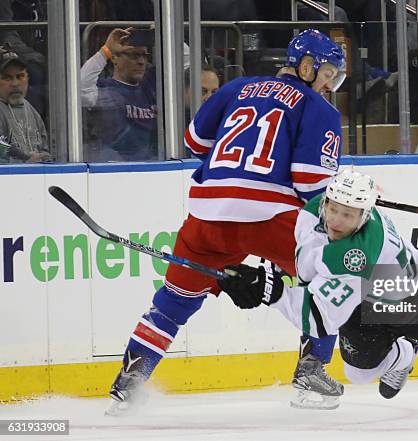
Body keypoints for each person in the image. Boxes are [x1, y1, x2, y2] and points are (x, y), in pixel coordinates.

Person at [105, 29, 346, 416]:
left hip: (206, 213)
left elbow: (195, 143)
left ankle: (129, 382)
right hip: (268, 216)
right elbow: (309, 181)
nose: (330, 83)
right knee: (330, 276)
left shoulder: (236, 87)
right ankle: (312, 370)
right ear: (306, 66)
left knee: (173, 302)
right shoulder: (318, 108)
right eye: (328, 72)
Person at [218, 169, 418, 407]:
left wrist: (268, 291)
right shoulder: (314, 211)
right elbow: (311, 272)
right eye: (334, 208)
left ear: (364, 216)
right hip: (373, 304)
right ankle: (405, 351)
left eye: (348, 214)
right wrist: (265, 284)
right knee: (358, 373)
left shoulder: (357, 257)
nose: (336, 221)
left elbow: (317, 320)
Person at [80, 27, 158, 162]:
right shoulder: (104, 87)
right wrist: (105, 51)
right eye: (134, 55)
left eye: (144, 56)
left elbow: (185, 62)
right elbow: (80, 89)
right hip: (113, 165)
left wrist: (162, 34)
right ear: (114, 58)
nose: (141, 62)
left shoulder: (149, 85)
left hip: (151, 163)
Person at [0, 47, 49, 163]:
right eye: (7, 78)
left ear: (28, 78)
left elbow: (45, 150)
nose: (15, 84)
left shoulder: (31, 110)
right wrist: (27, 159)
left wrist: (43, 157)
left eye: (20, 76)